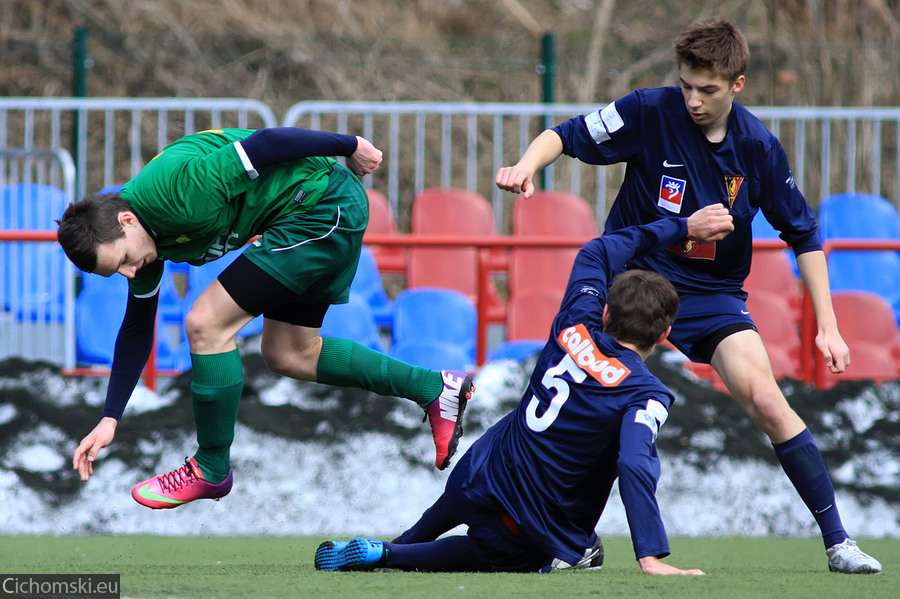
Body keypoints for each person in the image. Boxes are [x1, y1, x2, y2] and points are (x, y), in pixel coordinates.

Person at [494, 17, 881, 574]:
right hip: (635, 282)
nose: (694, 100)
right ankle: (569, 539)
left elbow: (804, 234)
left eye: (709, 90)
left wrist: (829, 324)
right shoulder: (650, 110)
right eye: (686, 86)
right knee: (594, 409)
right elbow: (567, 133)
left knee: (769, 400)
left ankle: (839, 542)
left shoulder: (758, 149)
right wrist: (526, 166)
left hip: (713, 294)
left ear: (738, 84)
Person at [57, 127, 474, 509]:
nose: (132, 272)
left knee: (205, 322)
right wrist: (110, 417)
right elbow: (135, 328)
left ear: (125, 221)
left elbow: (267, 143)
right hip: (299, 219)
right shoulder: (141, 243)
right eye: (120, 272)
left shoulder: (177, 190)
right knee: (290, 354)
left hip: (322, 205)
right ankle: (434, 387)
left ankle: (211, 467)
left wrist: (350, 145)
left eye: (126, 260)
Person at [315, 206, 734, 575]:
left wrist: (683, 227)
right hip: (520, 527)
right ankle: (389, 553)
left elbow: (598, 251)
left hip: (479, 472)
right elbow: (634, 463)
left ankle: (395, 543)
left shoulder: (576, 321)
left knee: (436, 522)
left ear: (605, 312)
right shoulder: (646, 393)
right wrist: (650, 555)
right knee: (484, 555)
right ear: (664, 334)